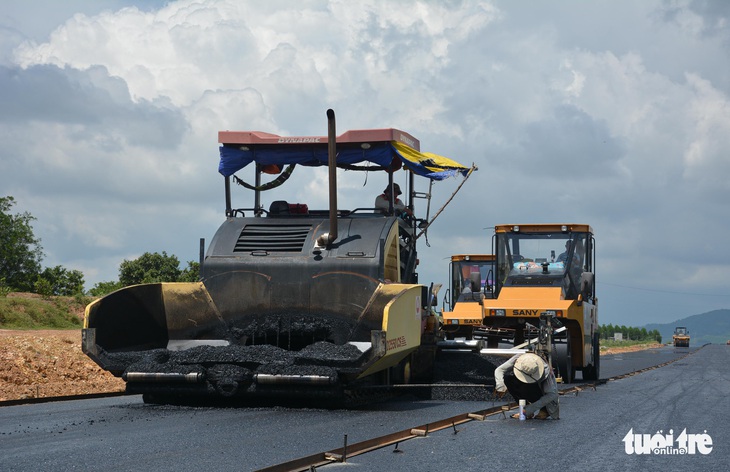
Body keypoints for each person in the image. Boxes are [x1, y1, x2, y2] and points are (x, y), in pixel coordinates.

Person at [494, 352, 559, 420]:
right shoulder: (520, 357)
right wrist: (501, 386)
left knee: (529, 388)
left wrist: (528, 410)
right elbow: (499, 370)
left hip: (539, 391)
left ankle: (544, 410)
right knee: (508, 379)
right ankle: (525, 408)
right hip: (528, 386)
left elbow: (552, 395)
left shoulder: (545, 372)